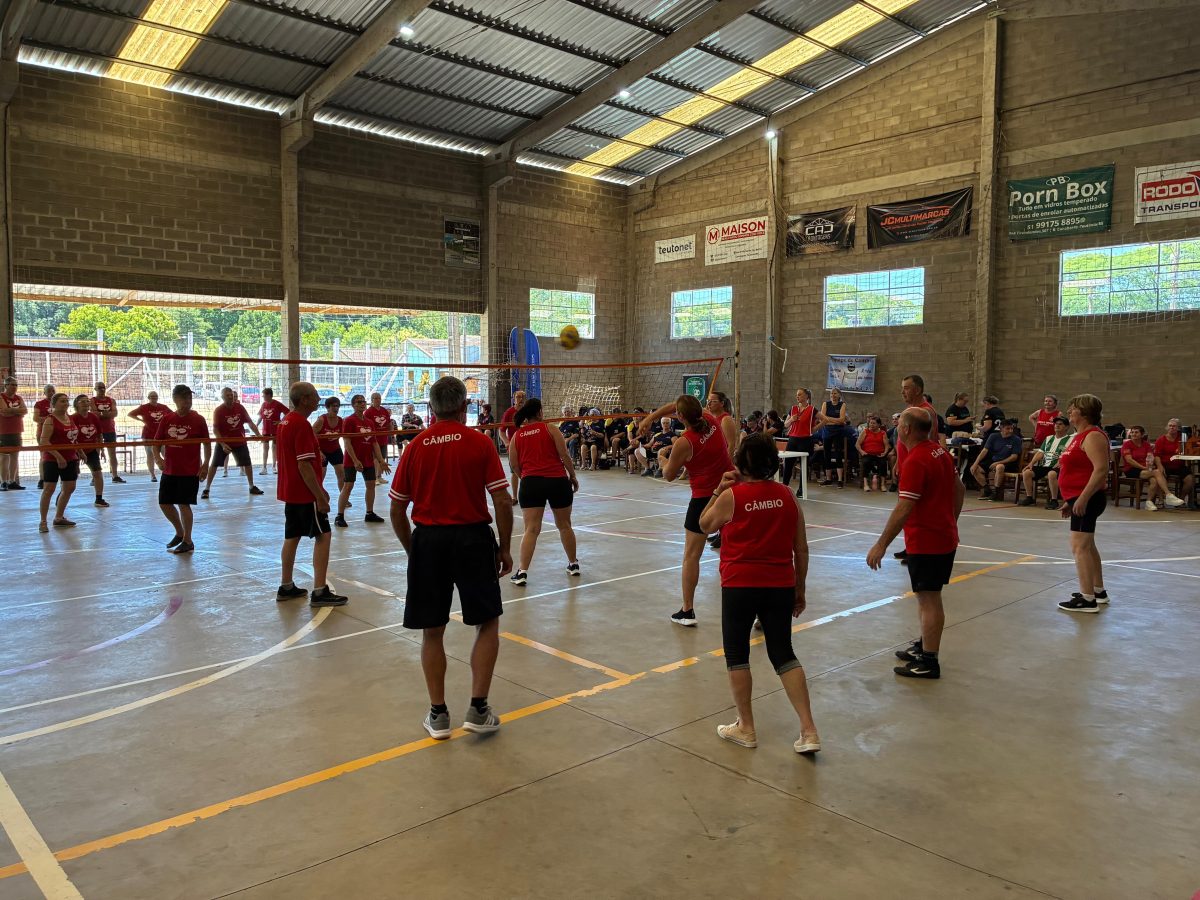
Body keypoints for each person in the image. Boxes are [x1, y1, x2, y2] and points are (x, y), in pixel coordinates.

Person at [389, 376, 513, 739]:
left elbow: (397, 508)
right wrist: (504, 547)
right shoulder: (479, 442)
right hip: (473, 538)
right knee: (487, 622)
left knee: (433, 630)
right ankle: (478, 708)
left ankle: (438, 714)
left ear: (431, 408)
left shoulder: (416, 446)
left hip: (429, 540)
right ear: (464, 407)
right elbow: (502, 500)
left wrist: (413, 549)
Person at [698, 434, 820, 754]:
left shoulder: (733, 496)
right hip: (779, 584)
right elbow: (801, 548)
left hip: (740, 584)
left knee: (737, 655)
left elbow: (704, 524)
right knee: (783, 653)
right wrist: (800, 587)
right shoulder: (787, 496)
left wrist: (718, 490)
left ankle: (746, 727)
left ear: (740, 461)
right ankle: (808, 730)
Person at [867, 407, 964, 678]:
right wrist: (950, 521)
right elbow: (960, 489)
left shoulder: (917, 460)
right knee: (929, 597)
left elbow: (904, 507)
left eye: (899, 424)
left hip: (927, 540)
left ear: (907, 429)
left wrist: (881, 544)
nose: (897, 427)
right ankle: (925, 644)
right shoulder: (940, 451)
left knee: (928, 599)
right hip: (942, 535)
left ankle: (929, 661)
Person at [639, 394, 733, 627]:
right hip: (732, 491)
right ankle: (758, 610)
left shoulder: (685, 442)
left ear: (680, 417)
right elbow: (679, 405)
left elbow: (669, 475)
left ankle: (687, 610)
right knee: (740, 552)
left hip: (705, 501)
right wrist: (653, 417)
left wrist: (662, 457)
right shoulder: (711, 419)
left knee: (692, 555)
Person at [275, 382, 347, 607]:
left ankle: (286, 586)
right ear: (305, 399)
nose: (319, 399)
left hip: (291, 492)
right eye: (315, 396)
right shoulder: (301, 425)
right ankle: (319, 591)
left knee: (292, 537)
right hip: (305, 494)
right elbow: (304, 466)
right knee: (324, 536)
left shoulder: (285, 422)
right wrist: (320, 496)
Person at [507, 397, 580, 585]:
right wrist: (572, 476)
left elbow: (514, 465)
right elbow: (564, 455)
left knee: (531, 529)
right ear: (540, 412)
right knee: (565, 525)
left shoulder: (517, 436)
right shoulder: (551, 429)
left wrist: (528, 478)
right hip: (557, 482)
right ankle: (573, 564)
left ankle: (522, 572)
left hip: (532, 483)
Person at [1055, 394, 1111, 613]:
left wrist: (1083, 498)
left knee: (1079, 548)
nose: (1069, 411)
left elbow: (1100, 470)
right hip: (1078, 498)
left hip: (1088, 498)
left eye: (1073, 408)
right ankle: (1098, 591)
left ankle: (1087, 600)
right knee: (1088, 546)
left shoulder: (1093, 436)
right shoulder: (1080, 436)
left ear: (1085, 413)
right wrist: (1071, 500)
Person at [153, 384, 211, 554]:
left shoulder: (198, 419)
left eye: (190, 397)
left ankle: (188, 540)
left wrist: (205, 464)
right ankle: (180, 532)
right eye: (184, 398)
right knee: (164, 503)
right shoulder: (167, 419)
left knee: (183, 504)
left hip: (189, 470)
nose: (188, 401)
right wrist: (158, 459)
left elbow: (207, 444)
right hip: (170, 469)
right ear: (175, 399)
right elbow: (156, 444)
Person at [893, 375, 941, 560]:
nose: (902, 391)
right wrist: (899, 460)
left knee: (916, 509)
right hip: (906, 466)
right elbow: (903, 442)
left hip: (917, 468)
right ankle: (910, 545)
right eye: (902, 387)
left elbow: (930, 441)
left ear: (918, 390)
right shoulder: (911, 409)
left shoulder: (926, 412)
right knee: (907, 509)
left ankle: (919, 548)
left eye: (906, 388)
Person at [337, 394, 388, 527]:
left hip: (367, 460)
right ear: (353, 405)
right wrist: (354, 460)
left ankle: (369, 513)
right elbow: (347, 442)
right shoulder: (349, 420)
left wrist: (381, 461)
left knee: (371, 485)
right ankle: (339, 516)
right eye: (358, 402)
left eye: (363, 401)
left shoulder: (369, 422)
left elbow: (374, 443)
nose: (361, 404)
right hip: (352, 460)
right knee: (348, 485)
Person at [202, 388, 263, 499]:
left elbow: (250, 422)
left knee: (248, 463)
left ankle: (251, 486)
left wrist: (258, 434)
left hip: (239, 441)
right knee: (214, 464)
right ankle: (206, 489)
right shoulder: (218, 410)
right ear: (222, 397)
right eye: (227, 395)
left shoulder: (240, 407)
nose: (230, 397)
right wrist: (222, 444)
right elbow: (215, 430)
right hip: (224, 442)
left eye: (231, 395)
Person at [37, 392, 80, 533]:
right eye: (62, 401)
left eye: (67, 401)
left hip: (70, 457)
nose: (66, 403)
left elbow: (72, 438)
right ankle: (43, 521)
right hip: (52, 459)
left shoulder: (70, 418)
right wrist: (58, 457)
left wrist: (80, 452)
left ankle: (59, 517)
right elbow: (44, 441)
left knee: (69, 487)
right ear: (54, 404)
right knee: (49, 489)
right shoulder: (50, 420)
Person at [1019, 415, 1070, 509]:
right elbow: (1040, 453)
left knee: (1051, 474)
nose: (1057, 426)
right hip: (1045, 465)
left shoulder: (1070, 439)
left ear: (1066, 427)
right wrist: (1031, 463)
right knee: (1027, 472)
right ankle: (1029, 497)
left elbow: (1068, 454)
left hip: (1059, 465)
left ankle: (1054, 500)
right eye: (1056, 424)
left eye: (1060, 424)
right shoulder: (1049, 438)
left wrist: (1061, 462)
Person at [970, 418, 1023, 501]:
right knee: (975, 468)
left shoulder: (1016, 439)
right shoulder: (993, 436)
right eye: (1007, 429)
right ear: (1001, 428)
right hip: (994, 460)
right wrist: (975, 463)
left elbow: (1014, 457)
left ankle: (996, 492)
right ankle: (987, 490)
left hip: (1008, 463)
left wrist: (998, 463)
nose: (1010, 431)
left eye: (1012, 428)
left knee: (999, 467)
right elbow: (984, 451)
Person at [70, 395, 109, 508]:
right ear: (77, 404)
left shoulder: (93, 417)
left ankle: (99, 498)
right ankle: (62, 495)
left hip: (91, 450)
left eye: (87, 401)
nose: (86, 403)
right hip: (76, 450)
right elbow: (72, 437)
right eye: (82, 401)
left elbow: (99, 434)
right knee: (72, 477)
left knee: (97, 473)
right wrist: (79, 451)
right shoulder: (73, 418)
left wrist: (101, 449)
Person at [1150, 418, 1195, 509]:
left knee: (1190, 479)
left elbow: (1190, 450)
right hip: (1165, 465)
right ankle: (1161, 500)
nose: (1171, 428)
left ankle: (1180, 500)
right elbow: (1157, 455)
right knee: (1159, 476)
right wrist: (1160, 466)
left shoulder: (1183, 438)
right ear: (1167, 427)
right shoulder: (1161, 439)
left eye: (1174, 426)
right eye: (1170, 426)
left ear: (1178, 428)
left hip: (1179, 466)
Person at [816, 388, 856, 486]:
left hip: (838, 431)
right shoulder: (826, 404)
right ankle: (828, 479)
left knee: (838, 454)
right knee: (827, 454)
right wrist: (834, 420)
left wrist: (828, 419)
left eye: (835, 393)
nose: (833, 395)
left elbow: (842, 420)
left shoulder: (842, 405)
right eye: (831, 393)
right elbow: (822, 418)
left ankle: (839, 480)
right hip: (827, 431)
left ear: (839, 395)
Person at [129, 391, 170, 482]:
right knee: (150, 455)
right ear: (148, 397)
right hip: (148, 435)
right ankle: (152, 475)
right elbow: (130, 414)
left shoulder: (163, 407)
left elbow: (173, 415)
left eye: (155, 396)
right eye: (152, 396)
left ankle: (167, 471)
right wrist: (141, 420)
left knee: (165, 453)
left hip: (161, 435)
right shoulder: (144, 407)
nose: (154, 398)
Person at [782, 388, 817, 494]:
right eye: (797, 395)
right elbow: (785, 425)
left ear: (807, 396)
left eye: (800, 394)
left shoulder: (812, 409)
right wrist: (792, 419)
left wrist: (814, 429)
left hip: (805, 439)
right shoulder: (793, 409)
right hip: (793, 438)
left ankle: (801, 490)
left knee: (803, 465)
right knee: (788, 463)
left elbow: (825, 419)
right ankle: (784, 487)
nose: (797, 396)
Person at [91, 381, 126, 483]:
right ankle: (95, 477)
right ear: (95, 389)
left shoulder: (111, 400)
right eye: (99, 388)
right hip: (97, 431)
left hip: (110, 430)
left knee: (112, 454)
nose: (102, 390)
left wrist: (102, 414)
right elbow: (94, 413)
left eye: (103, 388)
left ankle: (115, 476)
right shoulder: (92, 400)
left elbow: (115, 413)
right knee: (96, 454)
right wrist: (106, 414)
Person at [314, 397, 346, 495]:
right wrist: (318, 451)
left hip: (335, 449)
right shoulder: (321, 419)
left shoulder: (341, 421)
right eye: (333, 406)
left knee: (341, 473)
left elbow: (345, 436)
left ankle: (343, 497)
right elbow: (311, 435)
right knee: (321, 475)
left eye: (337, 406)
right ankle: (318, 497)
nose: (335, 408)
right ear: (328, 408)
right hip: (322, 450)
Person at [0, 376, 27, 490]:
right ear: (6, 385)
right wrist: (17, 412)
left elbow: (25, 410)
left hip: (17, 430)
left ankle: (12, 481)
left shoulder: (19, 397)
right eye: (12, 384)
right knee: (4, 457)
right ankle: (3, 482)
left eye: (16, 385)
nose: (14, 387)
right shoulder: (1, 396)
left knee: (15, 456)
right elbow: (4, 412)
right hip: (3, 431)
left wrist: (11, 411)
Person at [256, 387, 289, 475]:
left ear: (269, 395)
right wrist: (256, 425)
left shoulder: (277, 404)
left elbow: (288, 412)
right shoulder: (264, 404)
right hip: (266, 430)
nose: (263, 397)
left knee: (275, 448)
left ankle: (274, 466)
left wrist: (281, 421)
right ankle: (264, 467)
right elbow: (261, 416)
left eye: (264, 395)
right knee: (265, 448)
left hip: (275, 430)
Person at [855, 415, 890, 491]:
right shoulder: (865, 431)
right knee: (866, 462)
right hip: (867, 454)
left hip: (879, 454)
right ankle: (866, 484)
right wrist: (862, 451)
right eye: (870, 423)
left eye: (874, 423)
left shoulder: (883, 433)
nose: (871, 425)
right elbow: (857, 444)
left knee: (883, 463)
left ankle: (882, 485)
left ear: (878, 425)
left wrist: (885, 452)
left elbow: (887, 445)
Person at [364, 392, 393, 480]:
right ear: (372, 400)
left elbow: (388, 423)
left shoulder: (384, 410)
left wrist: (391, 433)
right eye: (375, 398)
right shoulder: (368, 412)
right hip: (374, 439)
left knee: (382, 457)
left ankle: (379, 476)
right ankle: (375, 477)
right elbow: (366, 425)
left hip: (383, 438)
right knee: (375, 457)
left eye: (379, 398)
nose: (378, 400)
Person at [32, 384, 55, 490]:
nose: (51, 392)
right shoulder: (39, 404)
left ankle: (54, 477)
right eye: (49, 391)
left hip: (56, 433)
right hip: (42, 433)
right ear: (44, 393)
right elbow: (36, 418)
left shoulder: (58, 403)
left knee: (56, 455)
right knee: (43, 456)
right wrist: (49, 419)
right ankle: (42, 478)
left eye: (53, 390)